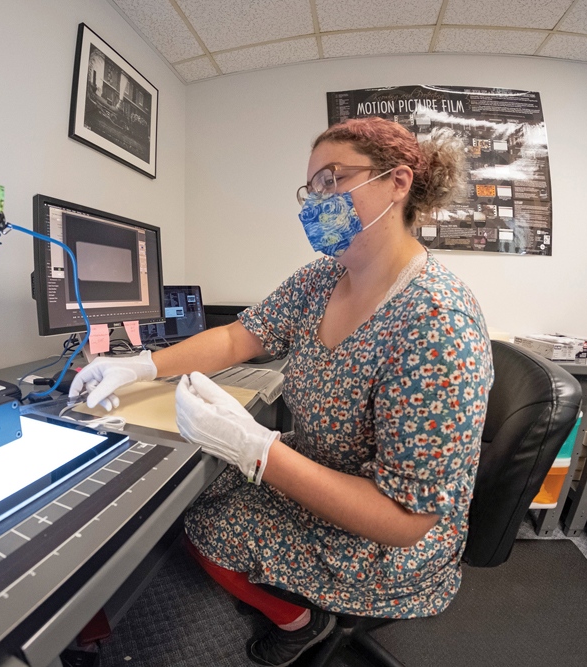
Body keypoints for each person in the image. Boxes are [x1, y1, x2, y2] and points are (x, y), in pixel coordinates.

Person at [70, 117, 494, 666]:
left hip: (386, 542)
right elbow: (236, 335)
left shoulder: (436, 322)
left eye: (333, 179)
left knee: (207, 524)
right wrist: (142, 366)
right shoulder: (322, 279)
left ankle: (298, 621)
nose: (316, 201)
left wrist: (258, 449)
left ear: (399, 181)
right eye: (311, 187)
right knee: (206, 486)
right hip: (321, 471)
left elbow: (404, 521)